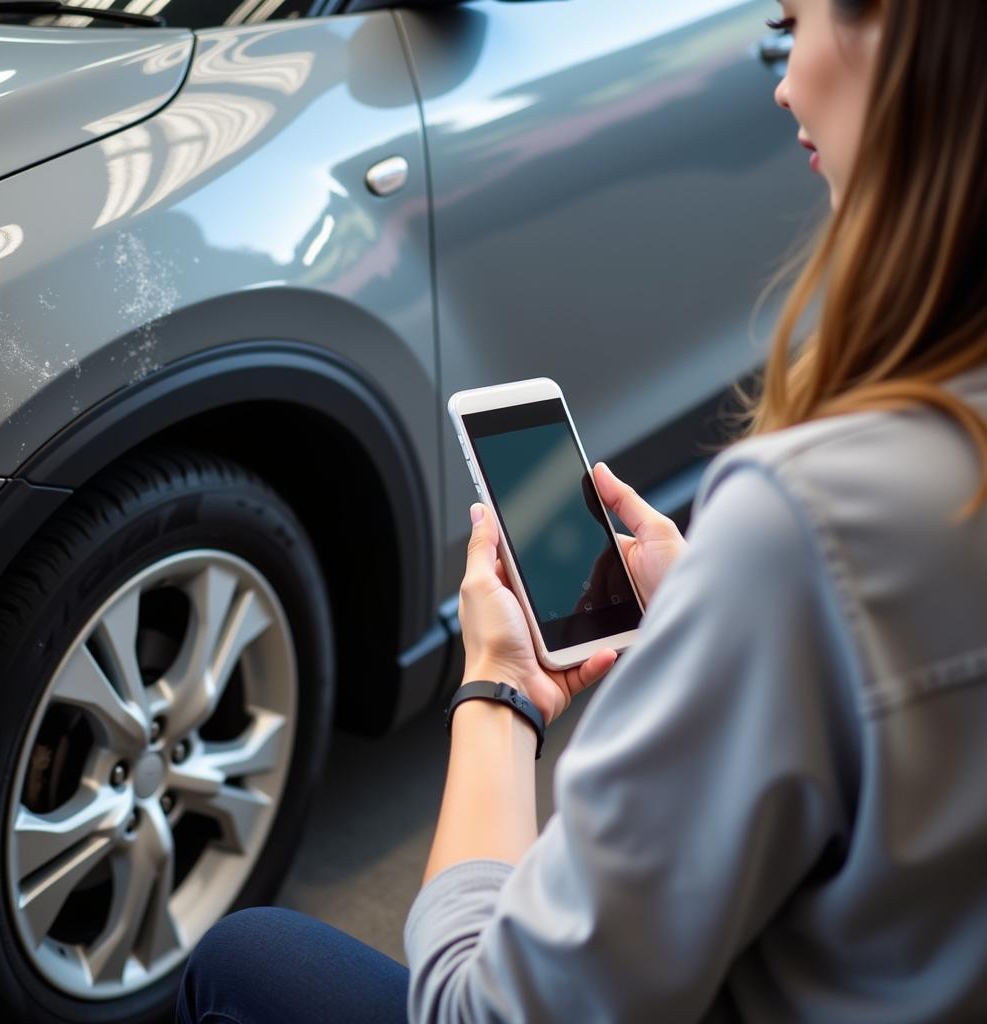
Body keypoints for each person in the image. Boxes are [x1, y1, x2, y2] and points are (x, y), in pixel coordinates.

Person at [178, 0, 987, 1020]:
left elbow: (483, 1010)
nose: (781, 83)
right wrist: (712, 603)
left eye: (790, 25)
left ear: (899, 36)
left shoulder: (806, 519)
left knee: (245, 960)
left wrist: (497, 692)